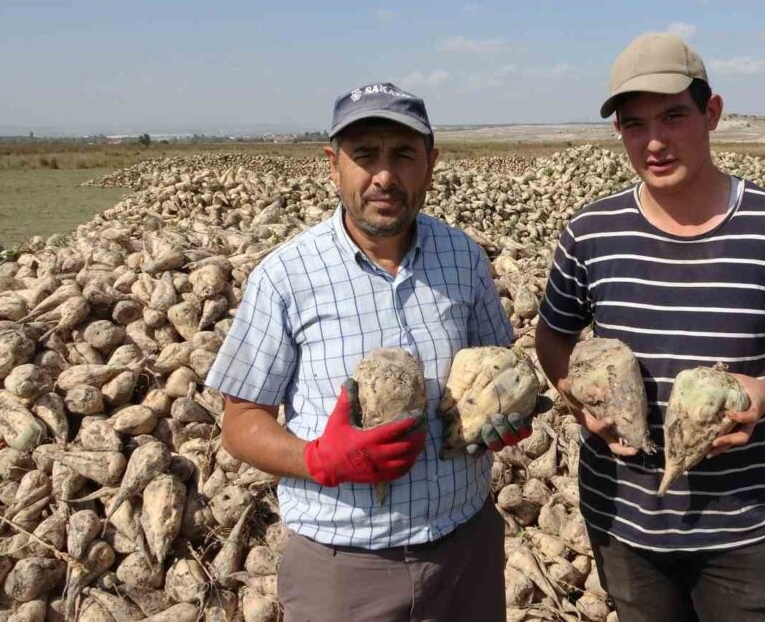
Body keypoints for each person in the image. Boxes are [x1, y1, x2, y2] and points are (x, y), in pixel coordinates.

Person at [534, 33, 765, 621]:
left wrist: (764, 392)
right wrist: (575, 396)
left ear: (712, 112)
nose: (654, 142)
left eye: (673, 117)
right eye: (634, 125)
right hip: (623, 519)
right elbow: (553, 336)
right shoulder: (590, 233)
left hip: (742, 524)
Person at [206, 82, 532, 622]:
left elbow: (498, 368)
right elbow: (240, 422)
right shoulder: (286, 276)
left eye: (403, 154)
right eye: (365, 156)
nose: (384, 175)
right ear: (333, 166)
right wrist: (318, 459)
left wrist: (504, 416)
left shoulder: (464, 257)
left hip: (464, 553)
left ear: (430, 164)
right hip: (343, 573)